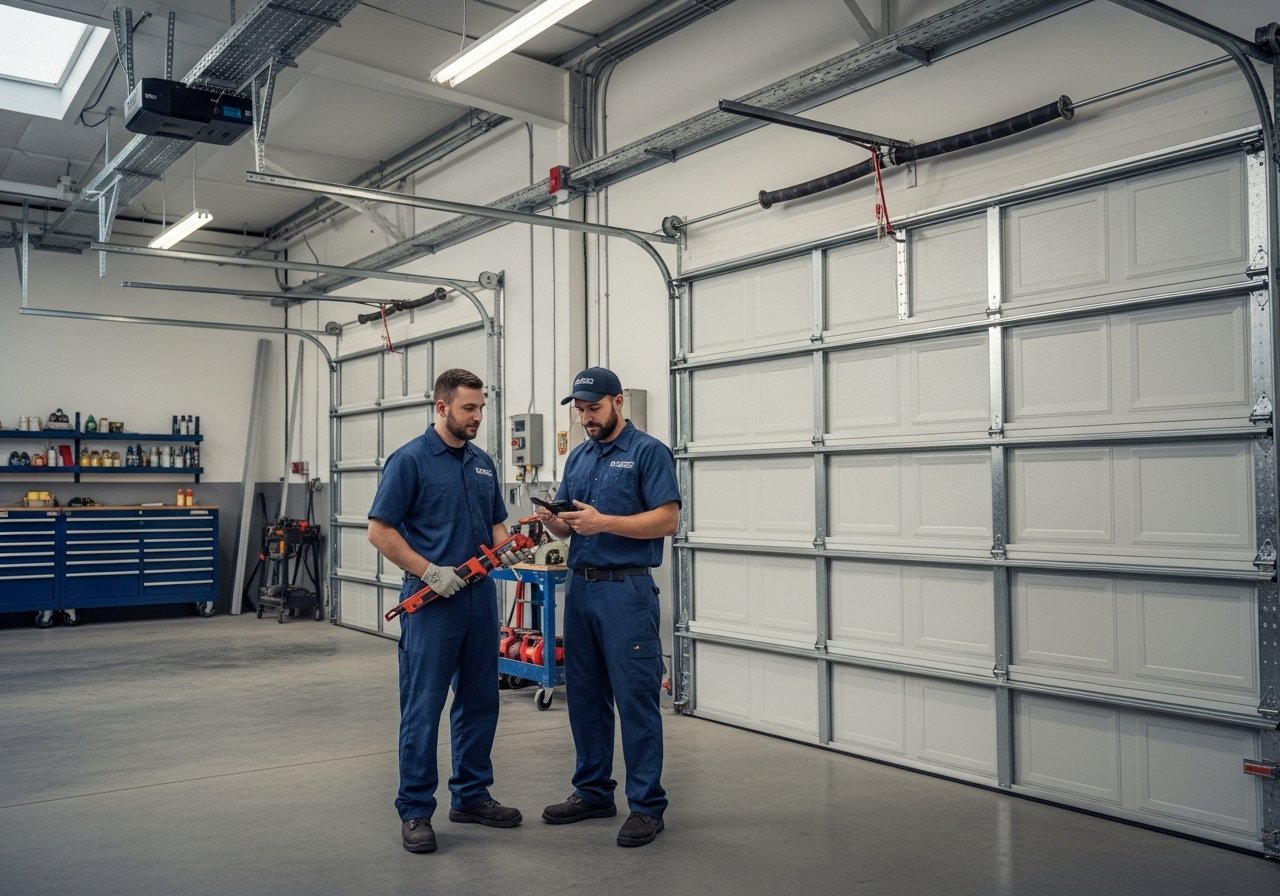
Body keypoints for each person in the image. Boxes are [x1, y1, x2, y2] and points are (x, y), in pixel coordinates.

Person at [368, 367, 529, 854]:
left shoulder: (482, 463)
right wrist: (429, 569)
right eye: (469, 408)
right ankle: (416, 809)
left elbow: (497, 526)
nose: (478, 417)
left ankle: (472, 796)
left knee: (481, 700)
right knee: (423, 706)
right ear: (442, 407)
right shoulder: (410, 461)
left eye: (481, 408)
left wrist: (512, 548)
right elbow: (381, 531)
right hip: (432, 600)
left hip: (481, 598)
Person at [535, 366, 681, 848]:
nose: (585, 418)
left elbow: (666, 520)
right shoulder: (577, 457)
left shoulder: (648, 453)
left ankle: (646, 805)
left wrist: (604, 524)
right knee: (585, 696)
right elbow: (569, 525)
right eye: (579, 410)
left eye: (593, 408)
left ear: (619, 402)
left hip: (626, 591)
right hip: (582, 588)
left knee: (635, 699)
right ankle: (593, 791)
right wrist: (552, 521)